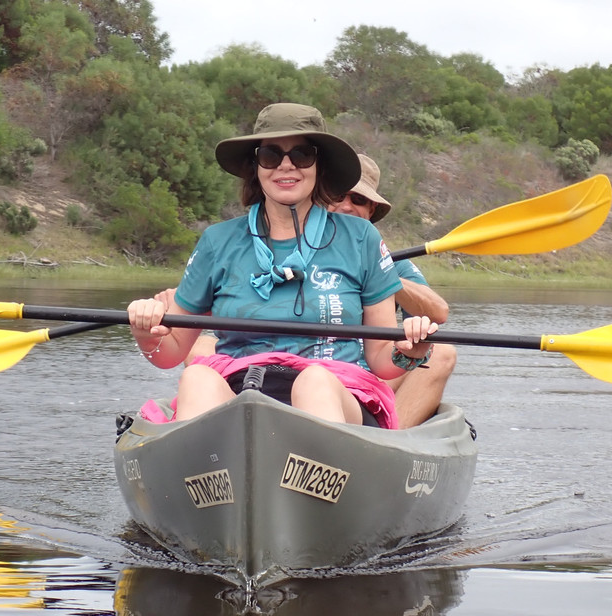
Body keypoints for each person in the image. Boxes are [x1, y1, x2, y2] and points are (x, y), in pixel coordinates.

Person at [127, 103, 435, 428]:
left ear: (320, 165)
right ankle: (212, 471)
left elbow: (381, 361)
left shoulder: (362, 238)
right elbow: (169, 354)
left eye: (301, 155)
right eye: (271, 156)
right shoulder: (217, 241)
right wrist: (146, 334)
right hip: (241, 389)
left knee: (313, 381)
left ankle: (319, 472)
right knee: (197, 376)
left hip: (337, 391)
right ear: (255, 166)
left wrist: (410, 351)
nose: (286, 167)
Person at [331, 154, 457, 428]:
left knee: (442, 353)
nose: (346, 206)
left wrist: (379, 270)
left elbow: (439, 313)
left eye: (358, 200)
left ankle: (387, 445)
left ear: (371, 211)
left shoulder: (385, 258)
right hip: (313, 367)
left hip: (373, 372)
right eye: (337, 195)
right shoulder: (293, 244)